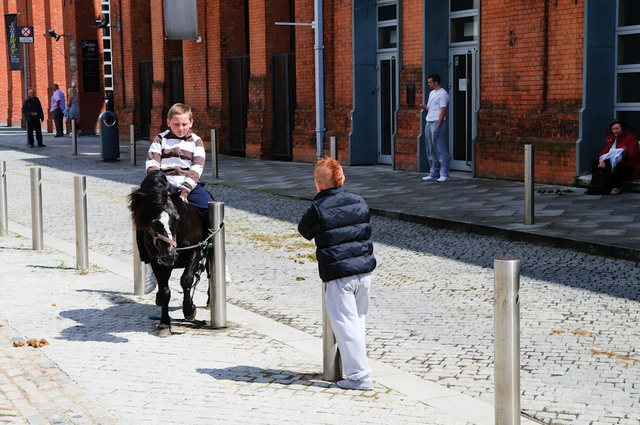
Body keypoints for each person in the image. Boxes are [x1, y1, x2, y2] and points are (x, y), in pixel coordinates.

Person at [298, 157, 377, 391]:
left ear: (318, 184)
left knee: (345, 324)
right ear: (342, 178)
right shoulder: (359, 201)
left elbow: (304, 230)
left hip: (338, 274)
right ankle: (356, 368)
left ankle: (360, 377)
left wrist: (318, 203)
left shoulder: (318, 207)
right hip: (364, 271)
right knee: (357, 322)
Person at [138, 103, 210, 293]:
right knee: (142, 218)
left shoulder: (196, 141)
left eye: (184, 124)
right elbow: (152, 165)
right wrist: (162, 189)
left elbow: (197, 168)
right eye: (176, 124)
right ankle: (149, 266)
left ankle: (217, 257)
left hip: (189, 187)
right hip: (164, 187)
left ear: (191, 122)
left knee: (212, 211)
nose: (181, 128)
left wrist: (185, 191)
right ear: (169, 122)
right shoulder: (160, 139)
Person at [589, 119, 640, 195]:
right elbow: (605, 152)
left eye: (617, 128)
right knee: (595, 162)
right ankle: (597, 184)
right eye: (613, 129)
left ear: (622, 128)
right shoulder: (612, 138)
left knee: (619, 167)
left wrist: (625, 154)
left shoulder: (630, 138)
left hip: (627, 166)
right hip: (612, 163)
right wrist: (601, 160)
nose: (615, 131)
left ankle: (616, 186)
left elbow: (633, 157)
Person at [420, 73, 450, 182]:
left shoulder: (443, 94)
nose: (429, 84)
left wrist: (438, 125)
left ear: (436, 82)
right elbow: (433, 108)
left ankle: (444, 174)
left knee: (440, 148)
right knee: (430, 148)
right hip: (429, 121)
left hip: (437, 122)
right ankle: (433, 172)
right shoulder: (432, 93)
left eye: (430, 82)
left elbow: (443, 110)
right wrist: (425, 107)